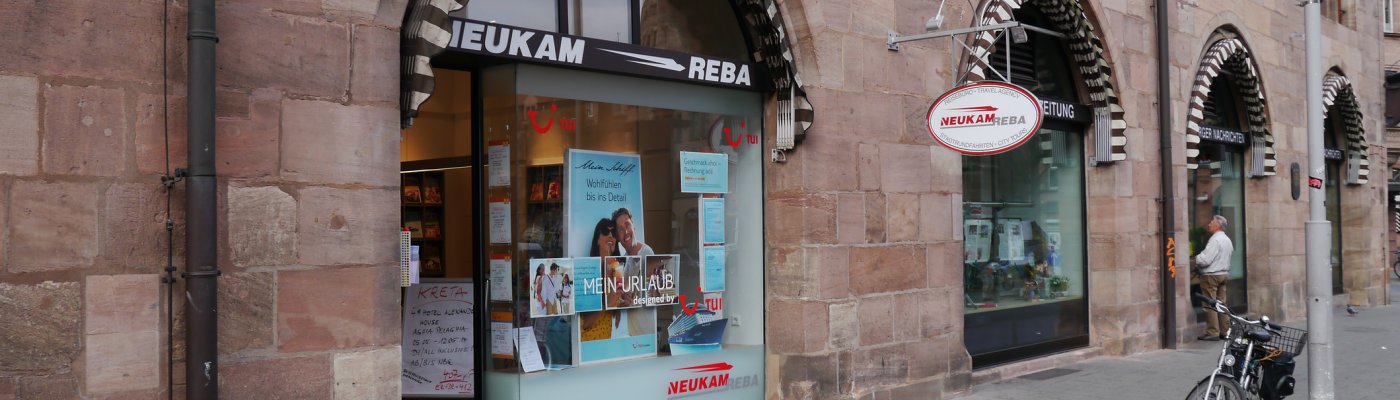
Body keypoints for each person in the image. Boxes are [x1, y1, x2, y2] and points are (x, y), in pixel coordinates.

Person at [1194, 215, 1235, 341]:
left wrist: (1196, 258)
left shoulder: (1215, 240)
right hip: (1223, 274)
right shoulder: (1227, 239)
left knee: (1210, 304)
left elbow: (1205, 260)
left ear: (1217, 226)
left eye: (1211, 222)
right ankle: (1225, 330)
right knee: (1221, 303)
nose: (1209, 224)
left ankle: (1213, 332)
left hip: (1211, 275)